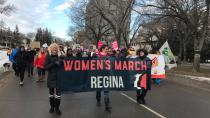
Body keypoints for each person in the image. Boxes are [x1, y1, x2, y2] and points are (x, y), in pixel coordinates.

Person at [44, 43, 62, 115]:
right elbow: (45, 67)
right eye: (53, 48)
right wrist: (54, 63)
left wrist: (61, 62)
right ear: (51, 49)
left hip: (59, 78)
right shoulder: (48, 56)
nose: (55, 49)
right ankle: (52, 107)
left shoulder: (60, 56)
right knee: (51, 94)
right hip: (51, 78)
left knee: (58, 95)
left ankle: (57, 108)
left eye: (56, 48)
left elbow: (66, 65)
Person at [96, 44, 112, 111]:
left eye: (107, 49)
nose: (107, 50)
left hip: (106, 76)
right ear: (102, 49)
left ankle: (107, 105)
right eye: (106, 48)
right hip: (98, 76)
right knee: (98, 91)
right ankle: (98, 100)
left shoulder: (108, 57)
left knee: (106, 91)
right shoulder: (97, 56)